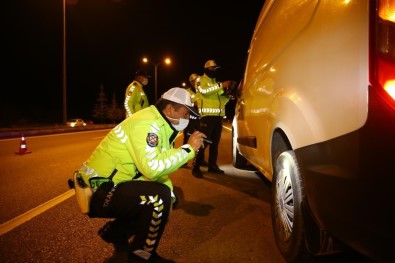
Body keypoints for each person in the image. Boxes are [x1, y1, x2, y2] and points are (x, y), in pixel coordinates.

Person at [77, 87, 207, 262]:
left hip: (112, 185)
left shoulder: (160, 124)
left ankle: (116, 232)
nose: (187, 119)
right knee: (158, 199)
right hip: (99, 190)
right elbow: (152, 168)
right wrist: (189, 149)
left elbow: (158, 167)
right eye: (185, 114)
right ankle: (142, 255)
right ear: (170, 109)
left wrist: (171, 196)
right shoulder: (147, 125)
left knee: (166, 197)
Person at [192, 60, 233, 178]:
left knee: (215, 144)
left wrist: (228, 95)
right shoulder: (200, 80)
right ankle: (196, 167)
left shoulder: (216, 83)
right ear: (206, 69)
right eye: (212, 68)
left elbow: (222, 101)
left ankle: (212, 166)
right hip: (207, 117)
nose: (215, 71)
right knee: (203, 143)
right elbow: (204, 92)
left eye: (216, 69)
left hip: (218, 117)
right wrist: (221, 85)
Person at [182, 73, 208, 167]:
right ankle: (184, 161)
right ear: (191, 82)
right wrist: (194, 104)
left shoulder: (202, 91)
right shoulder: (187, 92)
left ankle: (200, 160)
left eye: (197, 80)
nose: (196, 82)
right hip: (190, 119)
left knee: (201, 139)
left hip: (201, 119)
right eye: (194, 81)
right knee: (187, 139)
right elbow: (185, 105)